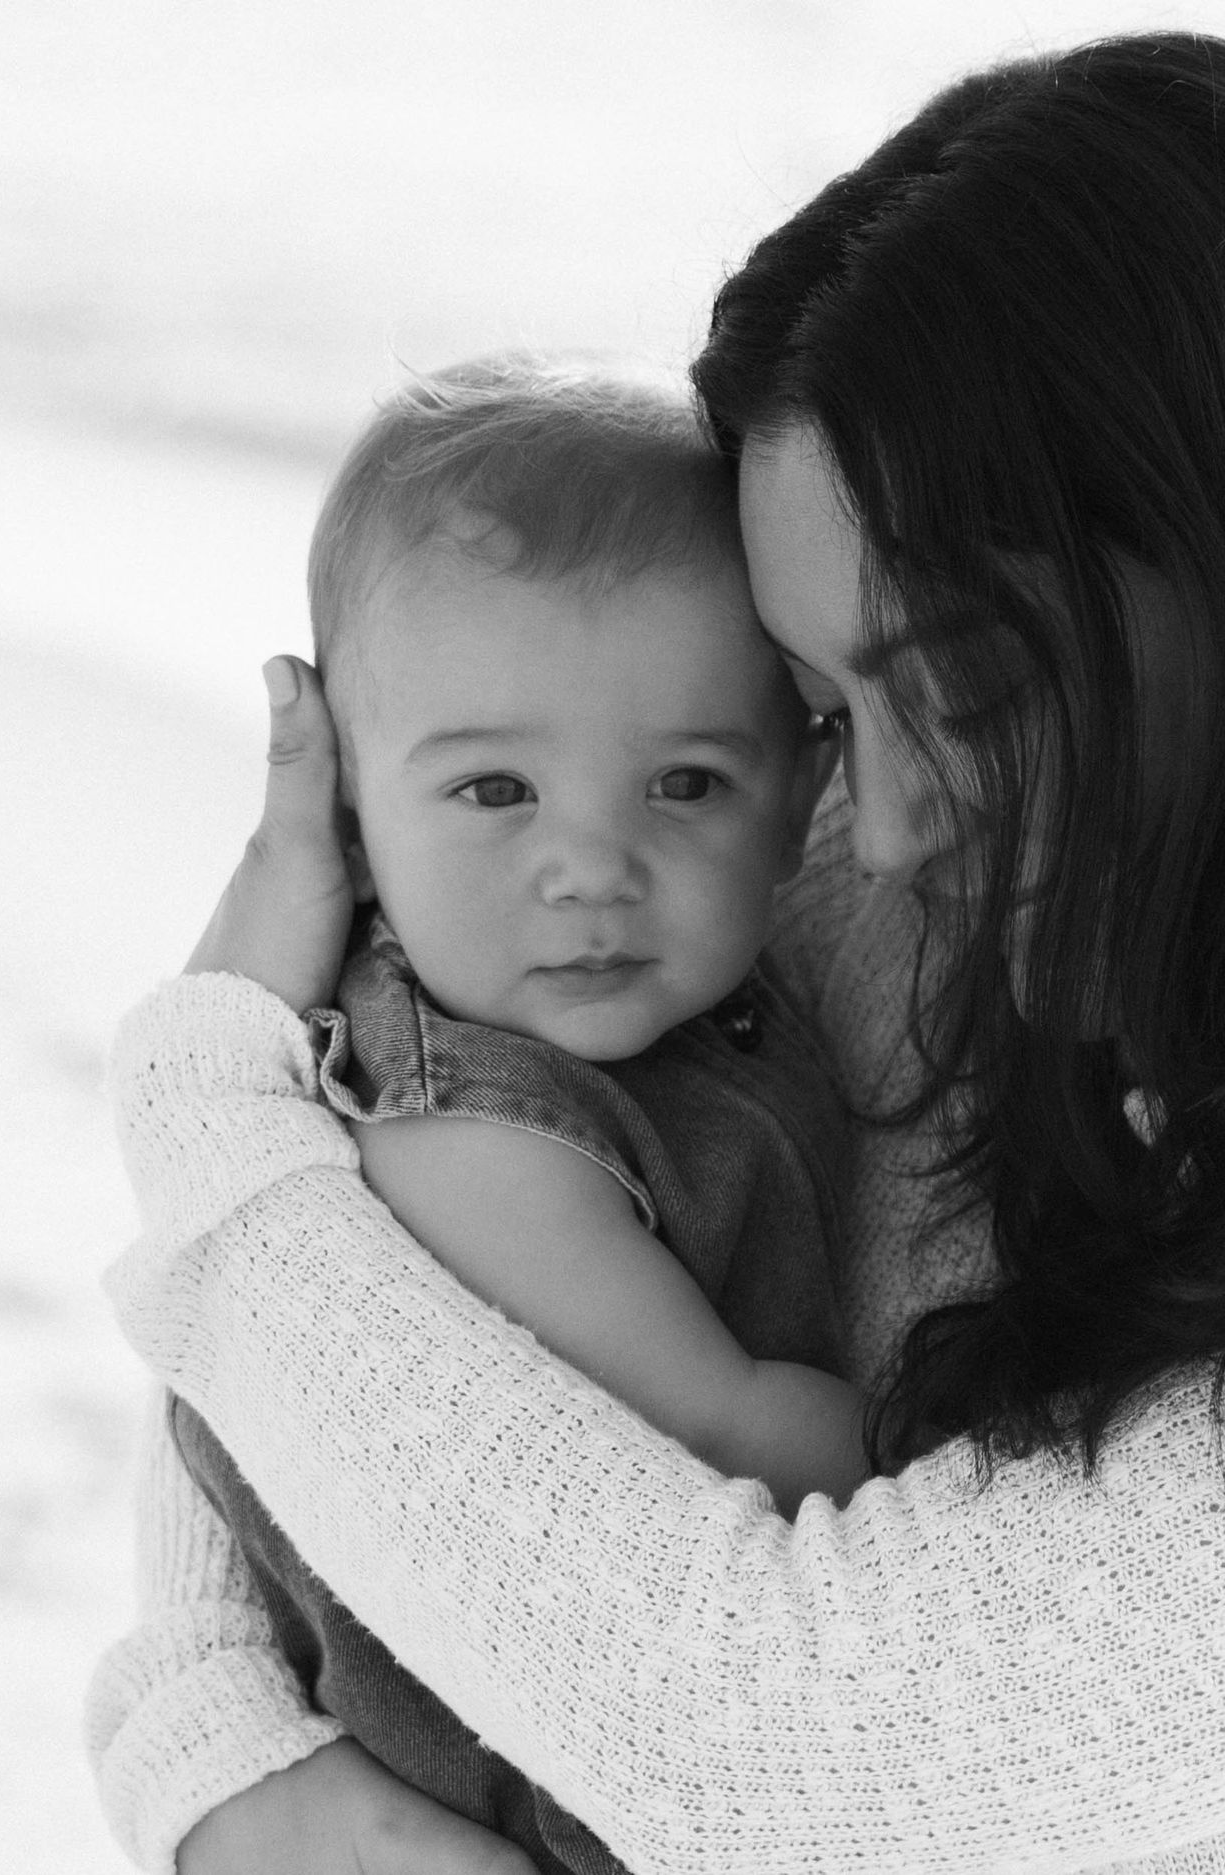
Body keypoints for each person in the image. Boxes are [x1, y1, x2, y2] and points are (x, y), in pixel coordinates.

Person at [91, 31, 1225, 1874]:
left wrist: (209, 1113)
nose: (889, 826)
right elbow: (359, 1287)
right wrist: (209, 1749)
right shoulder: (842, 874)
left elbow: (779, 1748)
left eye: (972, 693)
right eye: (823, 709)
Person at [162, 355, 865, 1875]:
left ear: (805, 797)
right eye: (495, 793)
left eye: (685, 783)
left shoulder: (734, 999)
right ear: (348, 808)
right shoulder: (458, 1127)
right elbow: (721, 1420)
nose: (593, 867)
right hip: (522, 1790)